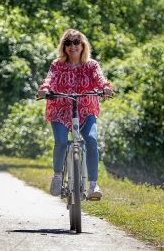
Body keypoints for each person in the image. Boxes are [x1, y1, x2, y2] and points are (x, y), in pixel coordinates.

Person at [37, 28, 113, 201]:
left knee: (91, 140)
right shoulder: (57, 64)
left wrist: (105, 88)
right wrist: (45, 89)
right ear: (63, 47)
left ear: (83, 45)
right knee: (62, 142)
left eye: (76, 42)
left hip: (86, 109)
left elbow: (100, 79)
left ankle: (93, 185)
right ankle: (57, 175)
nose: (73, 46)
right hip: (60, 109)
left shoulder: (91, 65)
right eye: (68, 43)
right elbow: (50, 78)